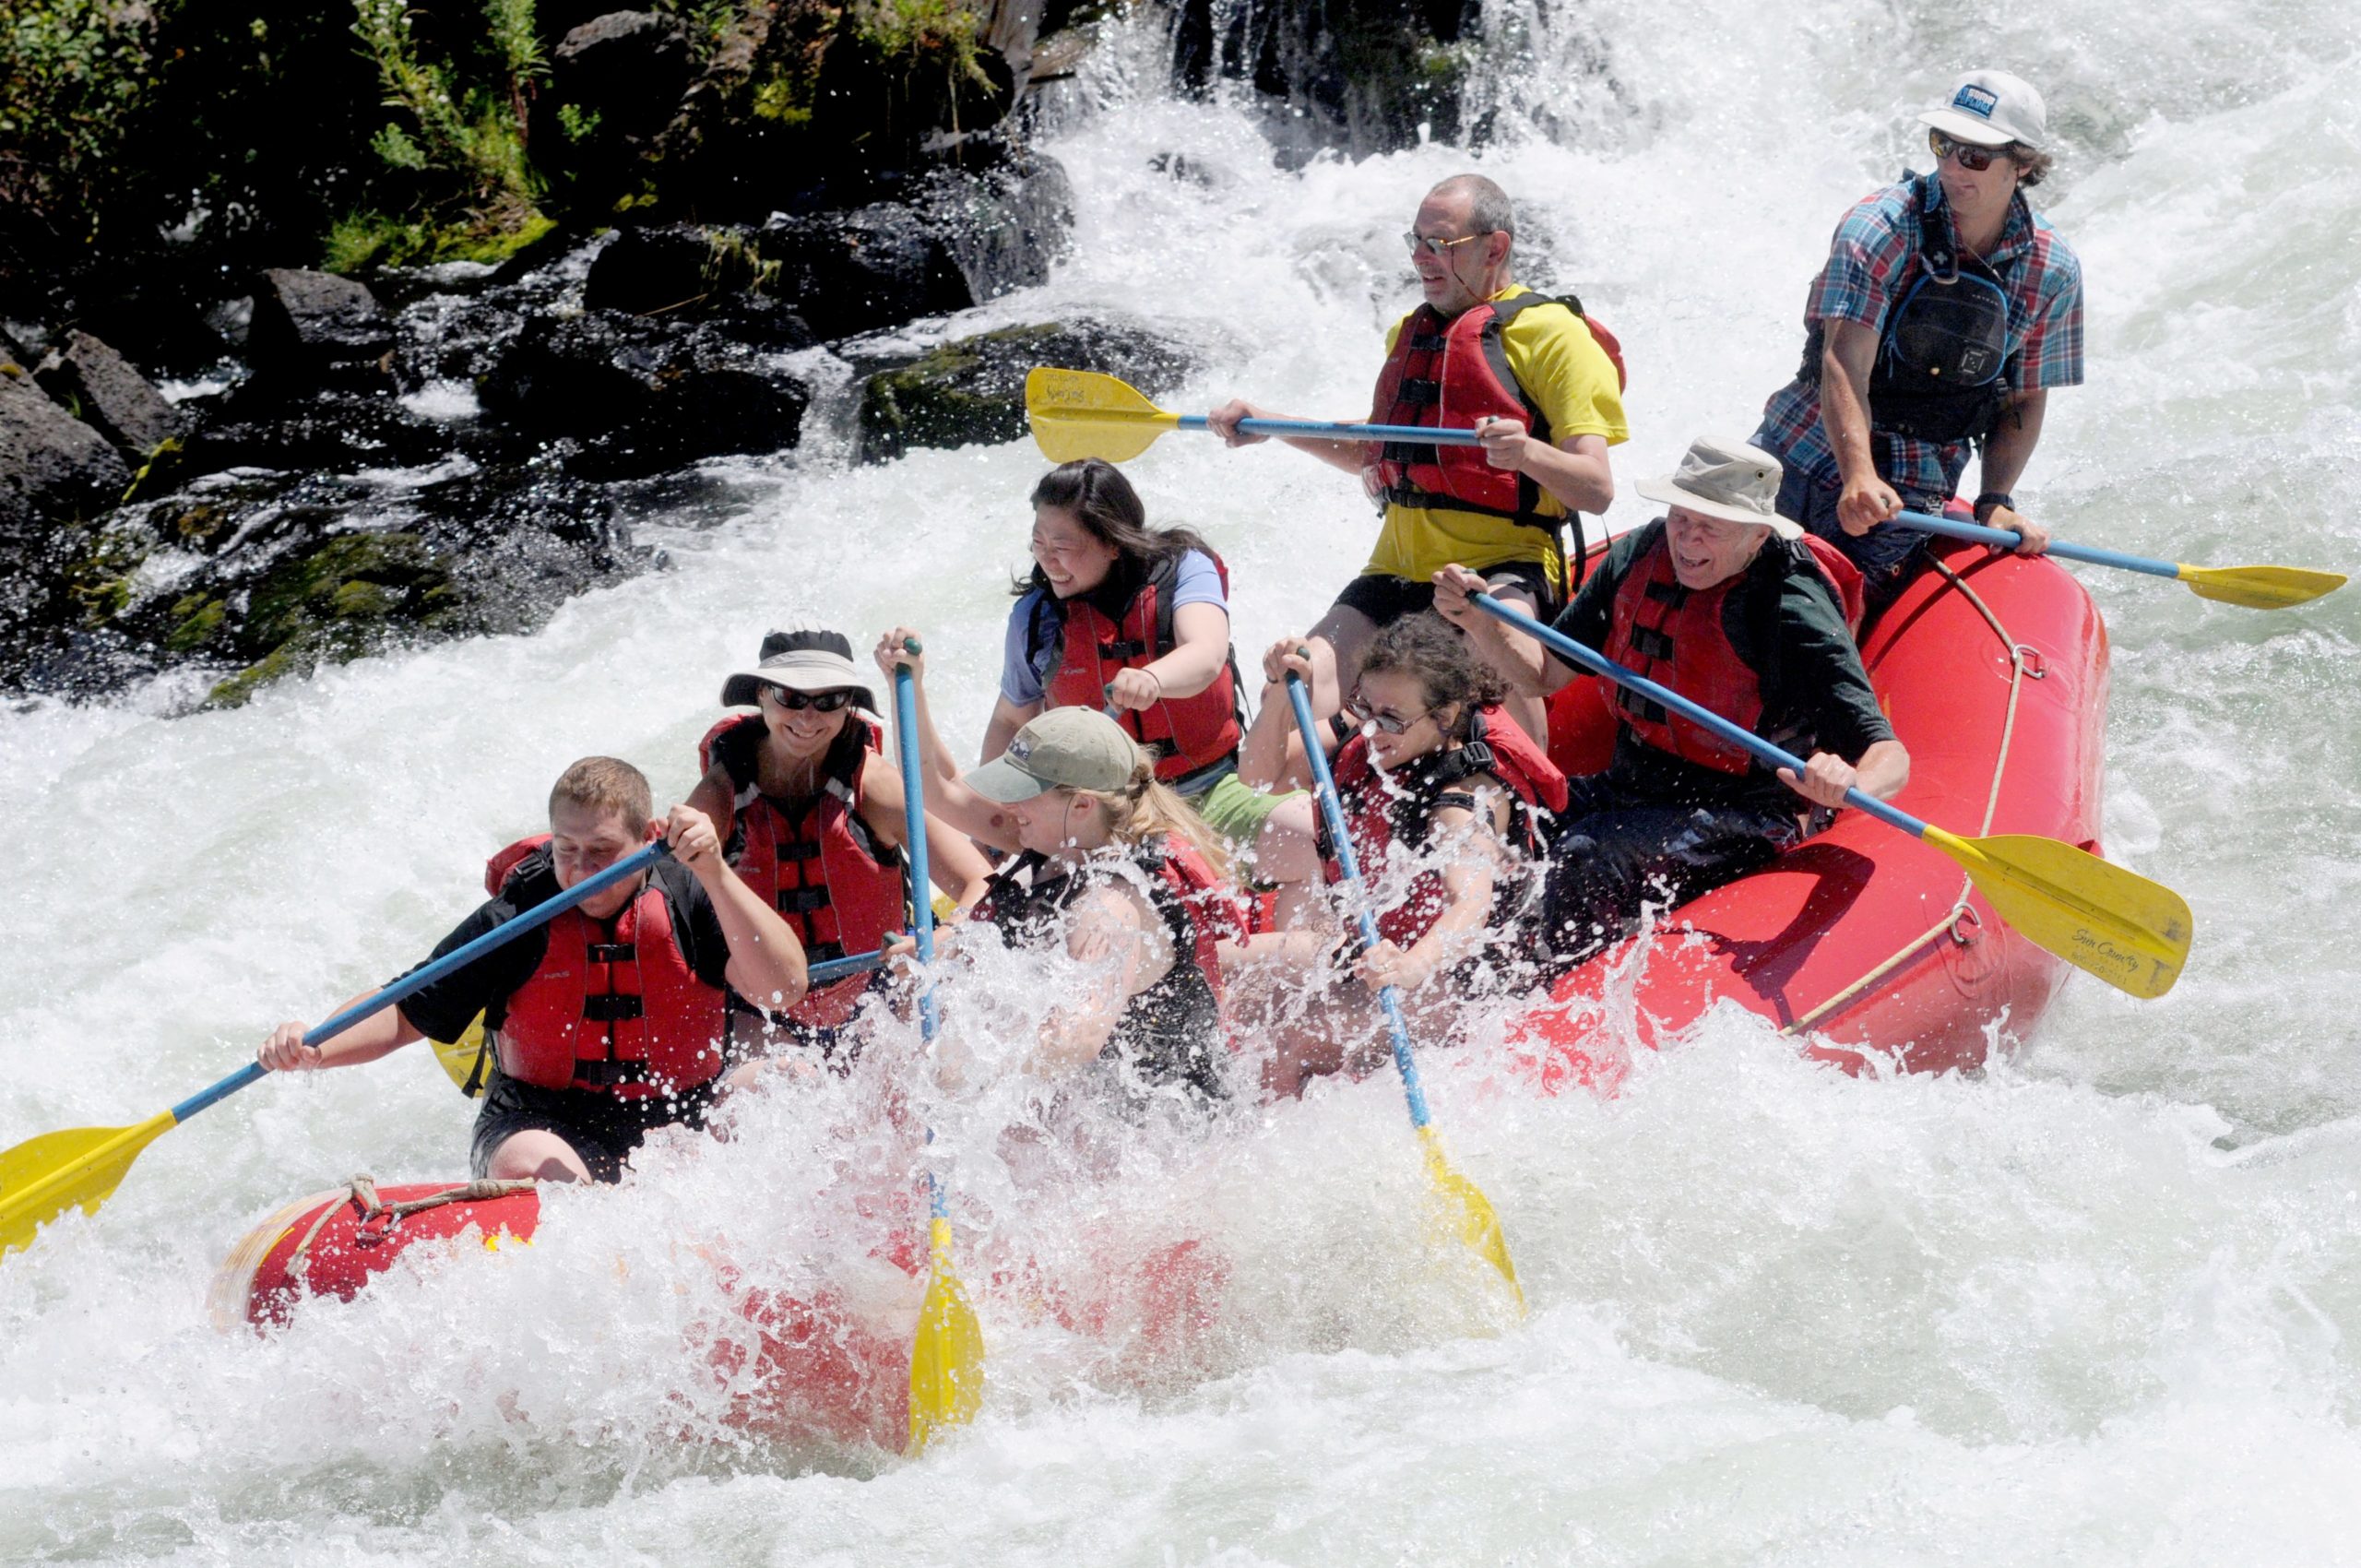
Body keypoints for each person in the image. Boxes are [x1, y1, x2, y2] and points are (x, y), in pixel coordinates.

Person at [1435, 436, 1911, 967]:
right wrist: (1477, 621)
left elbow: (1889, 754)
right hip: (1633, 784)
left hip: (1746, 813)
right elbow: (1541, 676)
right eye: (1682, 516)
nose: (1687, 538)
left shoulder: (1791, 608)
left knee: (1588, 853)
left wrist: (1849, 785)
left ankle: (1539, 987)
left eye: (1712, 525)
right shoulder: (1640, 553)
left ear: (1758, 535)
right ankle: (1460, 946)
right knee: (1502, 808)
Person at [1209, 171, 1629, 743]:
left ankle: (1531, 808)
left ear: (1495, 247)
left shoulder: (1555, 335)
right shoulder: (1409, 334)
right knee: (1294, 692)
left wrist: (1525, 452)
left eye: (1439, 244)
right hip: (1394, 569)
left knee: (1506, 697)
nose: (1421, 258)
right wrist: (1272, 427)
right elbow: (1376, 449)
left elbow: (1595, 488)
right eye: (1415, 242)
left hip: (1499, 569)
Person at [257, 758, 808, 1183]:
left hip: (681, 1107)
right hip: (545, 1121)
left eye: (602, 850)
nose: (581, 869)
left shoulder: (689, 891)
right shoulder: (520, 914)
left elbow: (783, 988)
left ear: (647, 838)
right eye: (567, 848)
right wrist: (315, 1046)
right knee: (532, 1163)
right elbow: (405, 1011)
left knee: (789, 1083)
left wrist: (714, 871)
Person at [1751, 69, 2082, 617]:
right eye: (1943, 145)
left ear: (2022, 164)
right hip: (1798, 454)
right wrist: (1858, 473)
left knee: (1816, 637)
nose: (1952, 166)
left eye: (1975, 156)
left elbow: (2023, 398)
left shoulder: (2054, 270)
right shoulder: (1878, 225)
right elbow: (1843, 360)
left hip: (1908, 491)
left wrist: (1995, 501)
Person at [883, 630, 1237, 1102]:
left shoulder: (1111, 905)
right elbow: (939, 785)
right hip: (1091, 1121)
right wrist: (906, 681)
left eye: (1023, 791)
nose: (1009, 804)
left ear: (1084, 805)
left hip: (1165, 1135)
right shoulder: (1057, 839)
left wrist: (954, 1072)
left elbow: (1077, 1036)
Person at [1228, 614, 1569, 1095]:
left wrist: (1413, 965)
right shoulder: (1373, 725)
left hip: (1463, 982)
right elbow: (1259, 776)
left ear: (1445, 716)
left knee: (1293, 1039)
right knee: (1230, 977)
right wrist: (1284, 693)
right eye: (1364, 707)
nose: (1370, 730)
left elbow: (1469, 902)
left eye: (1389, 719)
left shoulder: (1465, 794)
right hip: (1378, 950)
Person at [980, 457, 1319, 892]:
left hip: (1212, 788)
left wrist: (1153, 679)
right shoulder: (1035, 618)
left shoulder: (1184, 569)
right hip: (1108, 816)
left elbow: (1207, 652)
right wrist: (994, 817)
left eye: (1062, 545)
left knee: (1312, 836)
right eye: (1038, 542)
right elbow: (1011, 720)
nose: (1047, 559)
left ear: (1113, 543)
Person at [688, 628, 991, 1058]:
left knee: (925, 1075)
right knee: (768, 1084)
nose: (808, 718)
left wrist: (943, 938)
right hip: (762, 1009)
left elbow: (982, 882)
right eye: (791, 697)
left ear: (849, 706)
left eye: (828, 701)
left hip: (880, 990)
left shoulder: (875, 785)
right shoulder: (720, 793)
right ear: (761, 695)